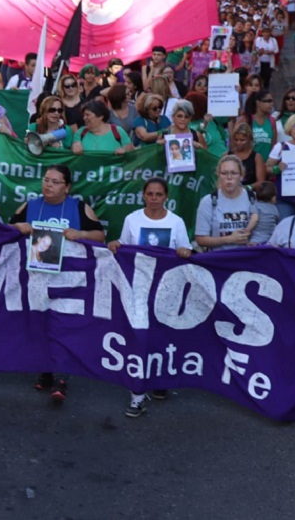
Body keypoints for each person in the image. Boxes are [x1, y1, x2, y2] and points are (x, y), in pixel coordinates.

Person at [9, 164, 105, 403]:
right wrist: (18, 227)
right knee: (42, 323)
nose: (47, 185)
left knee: (64, 326)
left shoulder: (80, 207)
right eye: (45, 180)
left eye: (54, 181)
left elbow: (100, 236)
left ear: (67, 187)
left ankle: (62, 376)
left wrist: (80, 234)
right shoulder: (30, 205)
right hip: (36, 277)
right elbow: (6, 229)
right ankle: (46, 370)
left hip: (69, 278)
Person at [107, 177, 192, 417]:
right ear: (143, 195)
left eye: (159, 194)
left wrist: (185, 251)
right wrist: (115, 244)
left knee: (163, 336)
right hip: (139, 289)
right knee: (140, 337)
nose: (154, 198)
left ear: (166, 197)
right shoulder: (132, 219)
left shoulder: (176, 222)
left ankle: (160, 380)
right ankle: (137, 394)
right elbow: (123, 245)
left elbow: (185, 250)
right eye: (150, 194)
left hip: (167, 289)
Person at [194, 155, 259, 251]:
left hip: (246, 258)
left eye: (234, 173)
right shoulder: (208, 201)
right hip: (219, 258)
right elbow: (201, 239)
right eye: (224, 173)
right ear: (218, 175)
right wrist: (229, 239)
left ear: (241, 176)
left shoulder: (253, 198)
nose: (229, 177)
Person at [229, 122, 266, 191]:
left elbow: (261, 182)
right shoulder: (227, 156)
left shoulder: (257, 157)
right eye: (236, 140)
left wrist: (247, 187)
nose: (238, 143)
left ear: (249, 139)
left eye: (242, 140)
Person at [242, 90, 276, 161]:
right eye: (268, 101)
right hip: (249, 164)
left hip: (266, 165)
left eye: (272, 101)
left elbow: (273, 147)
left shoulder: (272, 121)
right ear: (258, 103)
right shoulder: (246, 119)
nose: (271, 104)